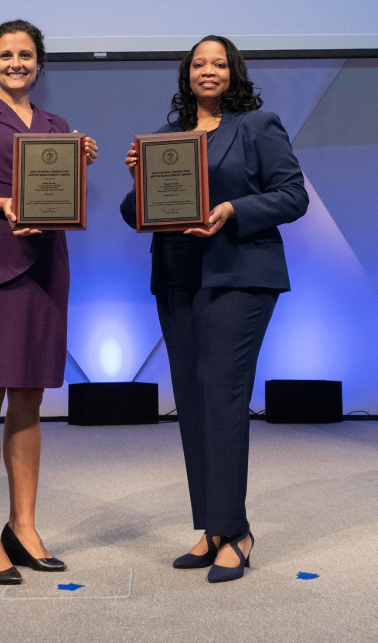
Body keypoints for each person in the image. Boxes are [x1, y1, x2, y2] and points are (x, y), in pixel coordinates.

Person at [120, 35, 308, 583]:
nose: (208, 71)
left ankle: (238, 532)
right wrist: (140, 178)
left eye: (218, 63)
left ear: (233, 72)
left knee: (223, 398)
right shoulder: (165, 139)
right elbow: (136, 214)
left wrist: (231, 208)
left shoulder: (257, 125)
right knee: (195, 402)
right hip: (178, 277)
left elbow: (293, 195)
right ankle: (212, 528)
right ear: (187, 74)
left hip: (240, 275)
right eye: (199, 64)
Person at [0, 20, 98, 585]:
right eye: (6, 55)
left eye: (26, 55)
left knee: (29, 399)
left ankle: (22, 526)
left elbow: (61, 195)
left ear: (40, 63)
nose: (16, 64)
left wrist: (82, 160)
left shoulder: (57, 126)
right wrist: (4, 203)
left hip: (46, 270)